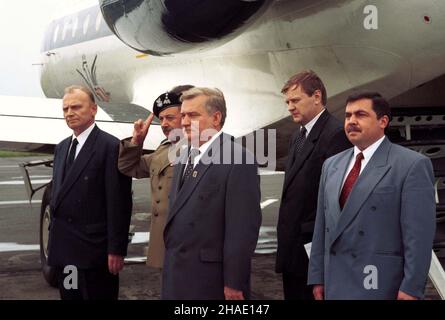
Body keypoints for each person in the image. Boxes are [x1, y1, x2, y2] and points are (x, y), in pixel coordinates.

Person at [308, 92, 436, 300]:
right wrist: (317, 277)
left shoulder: (411, 165)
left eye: (360, 115)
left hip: (380, 283)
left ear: (383, 121)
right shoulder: (331, 165)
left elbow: (418, 236)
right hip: (335, 282)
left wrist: (412, 287)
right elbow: (322, 228)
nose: (351, 122)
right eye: (348, 116)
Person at [162, 87, 262, 300]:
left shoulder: (238, 159)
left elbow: (242, 229)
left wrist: (234, 283)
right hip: (176, 276)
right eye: (183, 115)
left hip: (210, 282)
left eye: (193, 115)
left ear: (216, 118)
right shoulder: (184, 156)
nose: (185, 122)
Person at [47, 85, 132, 300]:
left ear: (93, 109)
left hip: (95, 252)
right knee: (71, 296)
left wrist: (116, 249)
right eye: (65, 109)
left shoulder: (110, 146)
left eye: (76, 107)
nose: (69, 113)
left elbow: (119, 203)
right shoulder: (62, 147)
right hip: (66, 251)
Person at [275, 70, 351, 300]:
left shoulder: (336, 134)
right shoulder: (298, 136)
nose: (290, 107)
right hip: (294, 251)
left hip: (314, 252)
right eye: (287, 101)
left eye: (295, 100)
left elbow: (339, 201)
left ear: (316, 96)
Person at [118, 85, 193, 270]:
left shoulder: (201, 149)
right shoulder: (163, 150)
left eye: (170, 118)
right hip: (164, 243)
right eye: (161, 119)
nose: (164, 124)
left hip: (189, 244)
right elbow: (128, 167)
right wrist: (137, 142)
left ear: (185, 117)